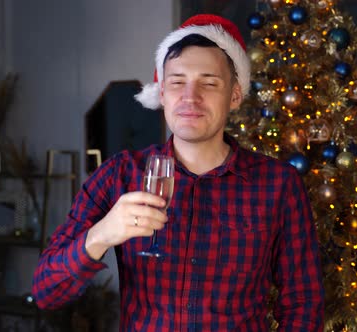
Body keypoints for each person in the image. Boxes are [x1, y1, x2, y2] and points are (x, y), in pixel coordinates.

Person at [32, 14, 324, 331]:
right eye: (176, 82)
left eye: (209, 83)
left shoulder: (278, 184)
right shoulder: (119, 175)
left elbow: (303, 304)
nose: (190, 97)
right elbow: (47, 292)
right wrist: (102, 234)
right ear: (161, 93)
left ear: (235, 96)